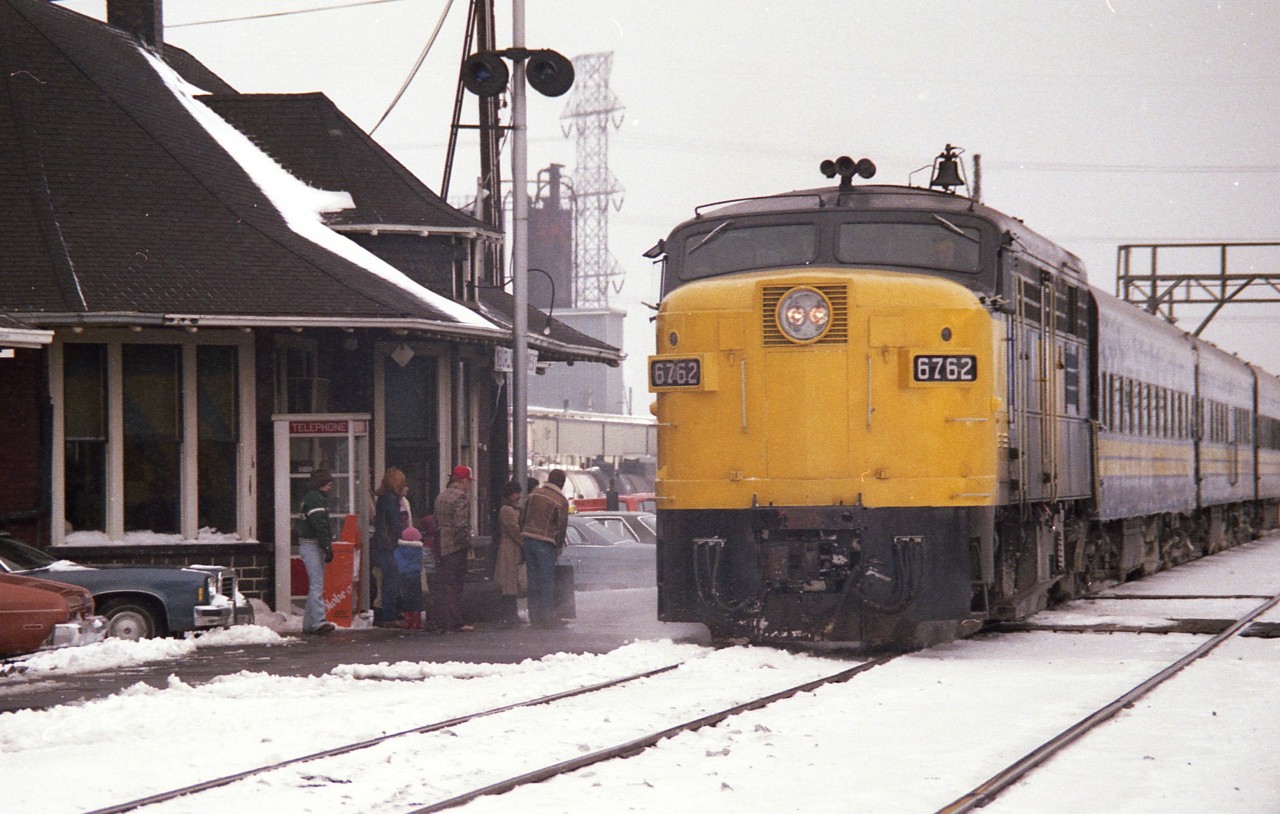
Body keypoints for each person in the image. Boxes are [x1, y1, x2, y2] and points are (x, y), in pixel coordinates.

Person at [520, 469, 569, 628]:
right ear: (562, 483)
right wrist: (558, 546)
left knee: (533, 580)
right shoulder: (560, 500)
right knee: (547, 581)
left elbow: (522, 517)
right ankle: (548, 618)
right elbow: (561, 526)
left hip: (528, 540)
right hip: (545, 542)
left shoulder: (534, 494)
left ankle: (535, 617)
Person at [434, 464, 475, 632]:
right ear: (464, 480)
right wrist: (466, 545)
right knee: (456, 584)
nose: (469, 485)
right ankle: (455, 621)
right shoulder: (461, 498)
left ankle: (442, 620)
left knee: (444, 584)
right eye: (468, 482)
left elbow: (435, 522)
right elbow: (461, 525)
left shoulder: (441, 497)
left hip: (440, 544)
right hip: (455, 547)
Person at [298, 469, 337, 636]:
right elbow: (319, 524)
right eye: (328, 484)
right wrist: (327, 545)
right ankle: (319, 621)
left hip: (308, 543)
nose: (330, 487)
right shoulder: (316, 499)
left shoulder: (311, 498)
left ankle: (309, 623)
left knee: (315, 583)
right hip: (312, 543)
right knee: (317, 584)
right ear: (321, 484)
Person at [372, 467, 409, 627]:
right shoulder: (391, 499)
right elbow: (394, 523)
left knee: (386, 579)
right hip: (389, 544)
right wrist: (399, 540)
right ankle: (389, 616)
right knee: (391, 580)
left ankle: (386, 614)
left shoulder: (382, 497)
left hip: (381, 543)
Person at [494, 480, 525, 626]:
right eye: (516, 493)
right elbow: (514, 529)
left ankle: (510, 614)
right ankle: (509, 615)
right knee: (509, 582)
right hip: (509, 548)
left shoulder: (511, 509)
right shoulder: (508, 510)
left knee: (510, 582)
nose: (518, 496)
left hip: (511, 547)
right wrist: (524, 543)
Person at [394, 526, 425, 629]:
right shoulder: (418, 551)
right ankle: (417, 621)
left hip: (403, 576)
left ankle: (408, 620)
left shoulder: (398, 551)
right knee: (417, 598)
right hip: (415, 576)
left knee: (406, 598)